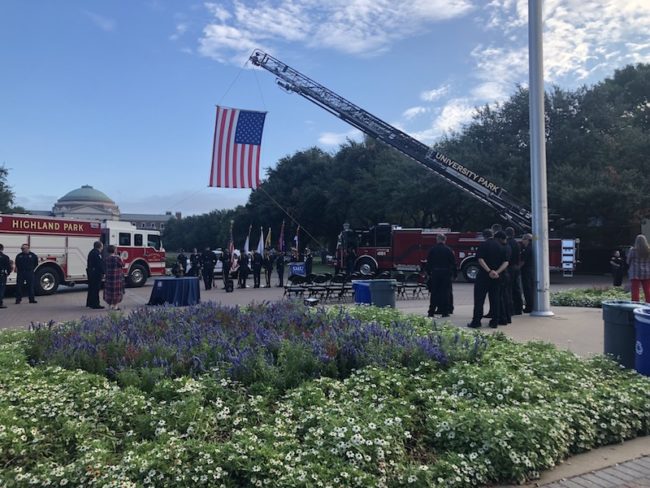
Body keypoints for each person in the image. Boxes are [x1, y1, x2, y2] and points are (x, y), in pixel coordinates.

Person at [467, 229, 508, 329]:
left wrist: (489, 271)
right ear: (493, 235)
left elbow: (480, 259)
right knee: (495, 299)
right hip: (497, 277)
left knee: (479, 300)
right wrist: (496, 272)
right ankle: (494, 322)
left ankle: (476, 321)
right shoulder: (501, 246)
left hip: (483, 276)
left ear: (484, 236)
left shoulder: (483, 245)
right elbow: (506, 262)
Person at [425, 233, 456, 317]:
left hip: (435, 273)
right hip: (446, 273)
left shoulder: (432, 250)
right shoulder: (449, 250)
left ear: (437, 239)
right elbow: (453, 263)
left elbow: (428, 263)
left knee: (434, 292)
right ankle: (445, 312)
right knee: (445, 292)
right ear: (445, 240)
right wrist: (454, 274)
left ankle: (431, 311)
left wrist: (428, 273)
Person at [495, 230, 512, 325]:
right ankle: (507, 317)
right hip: (506, 275)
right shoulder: (508, 246)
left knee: (500, 297)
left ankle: (503, 318)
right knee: (506, 296)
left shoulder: (503, 248)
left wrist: (497, 272)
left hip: (503, 274)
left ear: (500, 239)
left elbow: (505, 262)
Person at [627, 234, 650, 302]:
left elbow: (628, 261)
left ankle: (635, 304)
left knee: (635, 290)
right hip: (647, 272)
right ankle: (649, 304)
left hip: (635, 272)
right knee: (647, 290)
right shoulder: (648, 251)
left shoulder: (633, 250)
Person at [506, 227, 524, 315]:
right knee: (517, 289)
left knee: (509, 289)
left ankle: (510, 310)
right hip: (516, 267)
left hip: (509, 268)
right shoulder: (517, 243)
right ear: (513, 233)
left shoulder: (507, 243)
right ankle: (519, 308)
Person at [103, 245, 124, 310]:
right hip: (116, 277)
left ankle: (110, 305)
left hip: (109, 277)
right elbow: (123, 264)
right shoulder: (117, 258)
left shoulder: (106, 259)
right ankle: (115, 306)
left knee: (109, 291)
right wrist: (121, 257)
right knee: (116, 292)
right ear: (114, 250)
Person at [86, 241, 104, 309]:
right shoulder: (97, 253)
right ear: (100, 246)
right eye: (102, 246)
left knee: (91, 288)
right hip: (96, 273)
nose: (102, 248)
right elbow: (99, 264)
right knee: (96, 289)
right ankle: (95, 304)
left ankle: (89, 303)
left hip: (91, 272)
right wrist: (103, 272)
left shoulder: (91, 252)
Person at [520, 234, 534, 313]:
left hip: (526, 271)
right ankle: (530, 305)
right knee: (529, 289)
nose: (522, 241)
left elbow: (523, 261)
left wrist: (518, 268)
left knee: (527, 289)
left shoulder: (527, 249)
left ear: (527, 240)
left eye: (523, 239)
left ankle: (529, 307)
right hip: (530, 270)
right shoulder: (531, 247)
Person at [0, 244, 12, 308]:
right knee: (1, 289)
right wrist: (8, 273)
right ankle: (0, 303)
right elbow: (8, 267)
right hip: (2, 275)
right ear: (2, 249)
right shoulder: (5, 257)